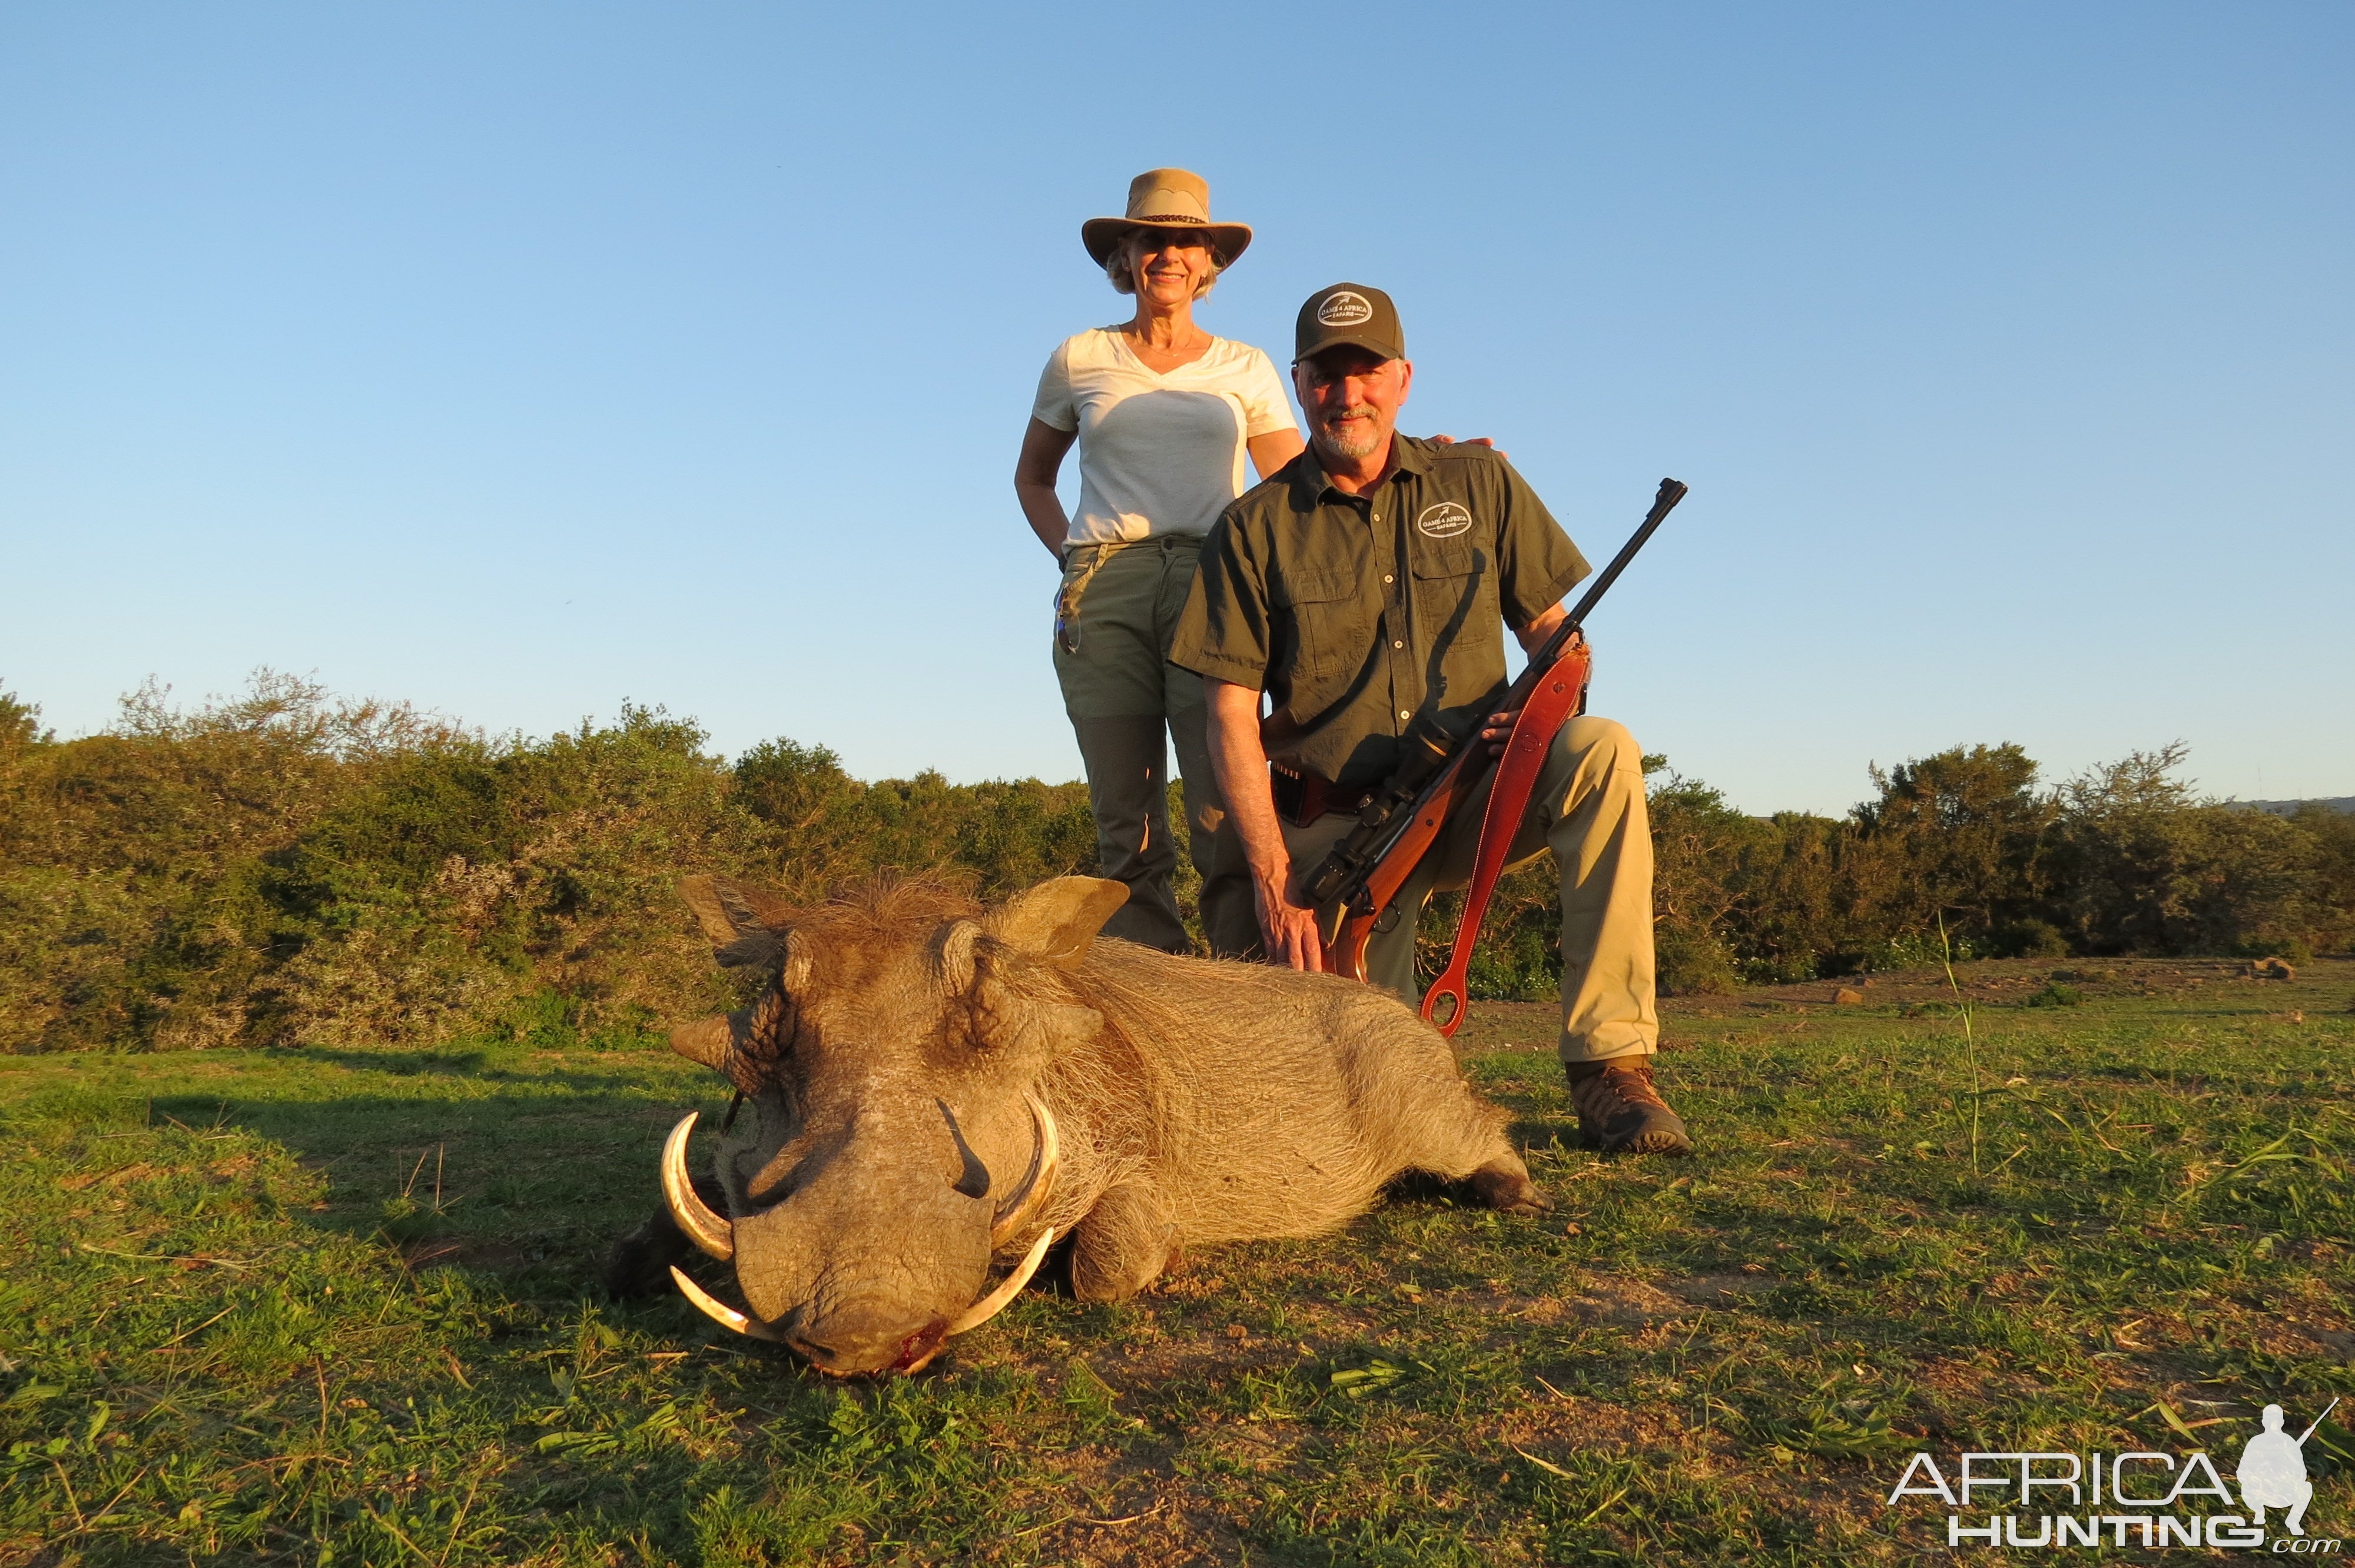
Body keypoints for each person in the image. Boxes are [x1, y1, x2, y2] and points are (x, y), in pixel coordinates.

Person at [1170, 283, 1693, 1156]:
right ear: (1299, 385)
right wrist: (1271, 877)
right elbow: (1228, 713)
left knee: (1601, 750)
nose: (1349, 394)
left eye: (1367, 371)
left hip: (1473, 798)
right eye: (1327, 375)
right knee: (1324, 1085)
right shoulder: (1253, 528)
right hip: (1330, 828)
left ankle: (1611, 1067)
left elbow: (1558, 643)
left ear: (1403, 378)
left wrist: (1536, 709)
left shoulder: (1480, 480)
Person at [1014, 168, 1301, 957]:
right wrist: (1074, 563)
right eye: (1152, 239)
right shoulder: (1080, 357)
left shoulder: (1245, 367)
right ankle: (1151, 998)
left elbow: (1299, 488)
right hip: (1106, 589)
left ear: (1208, 262)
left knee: (1223, 810)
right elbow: (1033, 478)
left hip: (1217, 590)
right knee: (1126, 820)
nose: (1169, 254)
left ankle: (1243, 1002)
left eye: (1187, 241)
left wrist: (1414, 461)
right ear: (1127, 255)